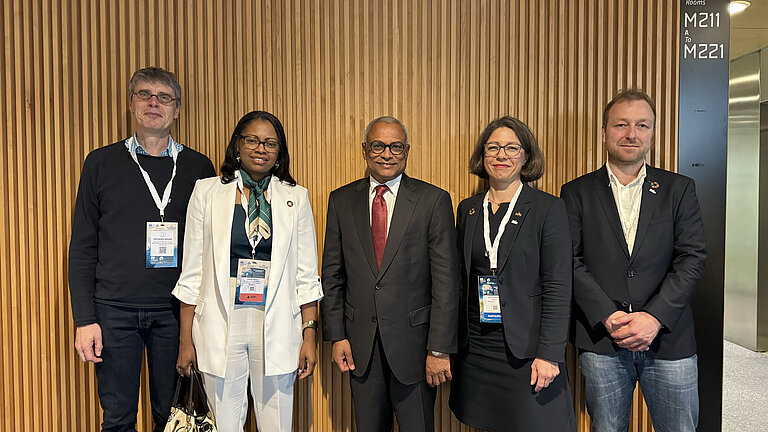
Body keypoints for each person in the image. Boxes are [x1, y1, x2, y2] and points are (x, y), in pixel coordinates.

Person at [68, 67, 216, 432]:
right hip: (114, 312)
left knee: (173, 419)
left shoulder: (200, 168)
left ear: (177, 110)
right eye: (145, 94)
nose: (154, 102)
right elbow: (83, 246)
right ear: (131, 104)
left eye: (164, 97)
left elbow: (211, 249)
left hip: (176, 314)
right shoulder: (100, 163)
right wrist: (85, 319)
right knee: (117, 420)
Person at [560, 89, 706, 432]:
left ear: (653, 132)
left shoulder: (678, 189)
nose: (631, 134)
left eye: (642, 125)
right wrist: (608, 316)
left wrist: (654, 318)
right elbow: (569, 260)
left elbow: (692, 257)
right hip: (602, 339)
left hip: (669, 337)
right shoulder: (575, 192)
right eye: (621, 125)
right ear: (604, 132)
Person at [172, 110, 323, 432]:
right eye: (252, 140)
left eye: (270, 143)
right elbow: (192, 273)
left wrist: (309, 335)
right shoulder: (207, 192)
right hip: (219, 317)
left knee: (277, 424)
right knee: (224, 424)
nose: (260, 148)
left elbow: (307, 276)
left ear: (280, 151)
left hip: (278, 317)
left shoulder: (296, 197)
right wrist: (186, 341)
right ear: (237, 145)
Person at [321, 116, 459, 432]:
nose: (387, 153)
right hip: (360, 348)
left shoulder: (433, 200)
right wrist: (337, 335)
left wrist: (439, 348)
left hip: (416, 348)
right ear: (365, 150)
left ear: (406, 150)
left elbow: (446, 281)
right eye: (378, 145)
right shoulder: (341, 200)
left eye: (396, 146)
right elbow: (332, 274)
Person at [449, 116, 576, 432]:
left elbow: (559, 286)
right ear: (483, 156)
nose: (501, 156)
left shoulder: (548, 209)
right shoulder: (468, 209)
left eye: (511, 148)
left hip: (527, 350)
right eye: (493, 147)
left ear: (526, 156)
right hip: (477, 348)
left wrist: (549, 354)